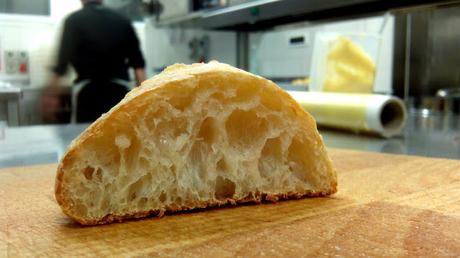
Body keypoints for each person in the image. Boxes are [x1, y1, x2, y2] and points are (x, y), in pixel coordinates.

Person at [47, 0, 146, 122]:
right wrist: (145, 102)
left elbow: (61, 66)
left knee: (87, 137)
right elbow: (138, 66)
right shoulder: (123, 21)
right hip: (119, 96)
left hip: (88, 97)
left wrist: (51, 97)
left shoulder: (73, 21)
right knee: (120, 137)